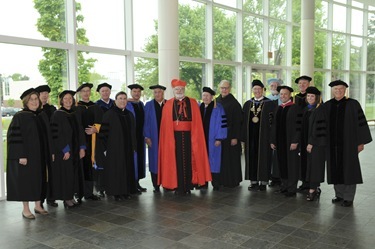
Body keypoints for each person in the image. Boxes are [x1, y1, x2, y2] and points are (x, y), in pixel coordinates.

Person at [158, 79, 212, 195]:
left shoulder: (192, 103)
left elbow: (197, 122)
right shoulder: (168, 104)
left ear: (184, 90)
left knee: (189, 161)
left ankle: (188, 185)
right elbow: (165, 125)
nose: (179, 91)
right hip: (174, 138)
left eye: (181, 89)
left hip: (190, 137)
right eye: (177, 89)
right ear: (173, 91)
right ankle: (177, 186)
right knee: (175, 162)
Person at [324, 80, 372, 207]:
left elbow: (361, 124)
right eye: (336, 89)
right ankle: (339, 194)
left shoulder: (353, 104)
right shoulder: (328, 105)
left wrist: (360, 142)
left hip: (349, 144)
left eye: (341, 89)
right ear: (332, 90)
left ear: (345, 90)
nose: (338, 91)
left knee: (349, 170)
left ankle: (348, 197)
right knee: (335, 168)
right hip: (333, 145)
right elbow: (322, 125)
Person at [6, 88, 51, 219]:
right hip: (26, 156)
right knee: (25, 181)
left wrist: (50, 152)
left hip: (40, 155)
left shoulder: (41, 115)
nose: (34, 102)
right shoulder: (20, 117)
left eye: (36, 99)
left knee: (40, 179)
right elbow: (14, 137)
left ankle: (38, 205)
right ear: (26, 102)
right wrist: (21, 155)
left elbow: (46, 136)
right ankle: (26, 209)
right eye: (31, 100)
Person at [97, 91, 137, 201]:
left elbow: (133, 132)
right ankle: (116, 193)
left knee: (127, 169)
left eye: (124, 98)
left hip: (127, 148)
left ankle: (126, 191)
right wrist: (105, 149)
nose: (123, 101)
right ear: (115, 101)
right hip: (114, 149)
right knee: (116, 170)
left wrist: (134, 146)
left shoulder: (129, 115)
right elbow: (103, 133)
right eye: (120, 98)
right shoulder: (109, 114)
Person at [50, 90, 86, 208]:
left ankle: (72, 195)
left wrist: (82, 147)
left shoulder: (75, 113)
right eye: (65, 98)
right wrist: (65, 149)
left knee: (74, 174)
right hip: (65, 151)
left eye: (70, 98)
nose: (68, 100)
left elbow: (80, 131)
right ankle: (67, 198)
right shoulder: (57, 114)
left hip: (76, 150)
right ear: (61, 100)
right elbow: (56, 134)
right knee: (66, 174)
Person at [241, 80, 276, 191]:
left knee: (264, 158)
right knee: (251, 158)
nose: (257, 91)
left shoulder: (270, 104)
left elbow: (273, 123)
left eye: (259, 89)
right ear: (252, 90)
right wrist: (243, 138)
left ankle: (264, 182)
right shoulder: (247, 104)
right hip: (250, 138)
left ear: (263, 90)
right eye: (255, 89)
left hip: (264, 138)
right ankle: (253, 181)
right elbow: (242, 122)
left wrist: (272, 139)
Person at [270, 86, 302, 197]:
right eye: (281, 94)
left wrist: (295, 141)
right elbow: (274, 126)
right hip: (280, 142)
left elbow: (299, 127)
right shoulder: (278, 108)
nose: (283, 96)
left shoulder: (295, 108)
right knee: (281, 164)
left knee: (292, 165)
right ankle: (284, 186)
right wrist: (272, 140)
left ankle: (292, 189)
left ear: (290, 95)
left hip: (290, 142)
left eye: (285, 94)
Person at [75, 83, 103, 201]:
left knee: (90, 165)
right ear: (80, 93)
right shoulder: (76, 107)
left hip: (93, 140)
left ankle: (89, 192)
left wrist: (96, 129)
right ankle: (78, 192)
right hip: (79, 141)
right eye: (84, 91)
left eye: (88, 91)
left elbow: (102, 122)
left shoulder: (95, 106)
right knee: (80, 165)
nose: (86, 93)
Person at [301, 86, 327, 201]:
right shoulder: (307, 109)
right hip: (307, 142)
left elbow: (319, 129)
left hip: (317, 144)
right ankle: (313, 187)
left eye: (312, 96)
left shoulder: (320, 110)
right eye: (308, 96)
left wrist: (311, 142)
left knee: (315, 166)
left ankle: (312, 190)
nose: (310, 98)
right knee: (309, 165)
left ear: (317, 98)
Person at [199, 87, 227, 190]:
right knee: (202, 161)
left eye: (207, 96)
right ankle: (203, 183)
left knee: (214, 161)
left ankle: (216, 183)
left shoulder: (218, 108)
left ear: (212, 97)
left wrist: (219, 138)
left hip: (213, 140)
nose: (205, 97)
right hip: (201, 140)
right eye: (204, 95)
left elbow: (222, 124)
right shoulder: (199, 107)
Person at [216, 80, 242, 188]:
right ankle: (221, 179)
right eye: (222, 88)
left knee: (231, 159)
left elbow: (238, 122)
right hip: (220, 136)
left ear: (230, 88)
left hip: (231, 135)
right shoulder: (216, 101)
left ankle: (232, 180)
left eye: (226, 88)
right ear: (219, 88)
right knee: (222, 158)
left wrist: (235, 137)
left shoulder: (235, 104)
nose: (224, 90)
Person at [35, 84, 58, 208]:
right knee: (40, 172)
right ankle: (40, 200)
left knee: (52, 172)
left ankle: (51, 197)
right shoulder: (35, 111)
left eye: (46, 93)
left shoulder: (52, 109)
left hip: (51, 144)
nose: (44, 95)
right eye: (42, 93)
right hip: (39, 145)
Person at [144, 84, 167, 193]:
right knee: (154, 161)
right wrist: (147, 136)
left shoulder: (169, 104)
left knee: (167, 161)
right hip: (154, 137)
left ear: (163, 93)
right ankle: (156, 185)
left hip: (167, 138)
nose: (157, 94)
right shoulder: (148, 105)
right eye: (155, 92)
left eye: (159, 92)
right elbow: (145, 123)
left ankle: (167, 184)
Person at [94, 82, 114, 197]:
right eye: (103, 91)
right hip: (101, 138)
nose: (105, 93)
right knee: (101, 162)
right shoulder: (96, 105)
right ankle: (100, 187)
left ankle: (111, 185)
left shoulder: (115, 104)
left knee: (112, 162)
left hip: (113, 138)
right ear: (99, 93)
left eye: (107, 91)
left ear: (110, 92)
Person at [127, 83, 147, 193]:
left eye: (138, 92)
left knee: (139, 159)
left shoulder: (141, 105)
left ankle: (137, 182)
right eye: (134, 91)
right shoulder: (127, 104)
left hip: (140, 136)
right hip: (131, 137)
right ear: (131, 93)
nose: (137, 93)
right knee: (132, 160)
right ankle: (132, 184)